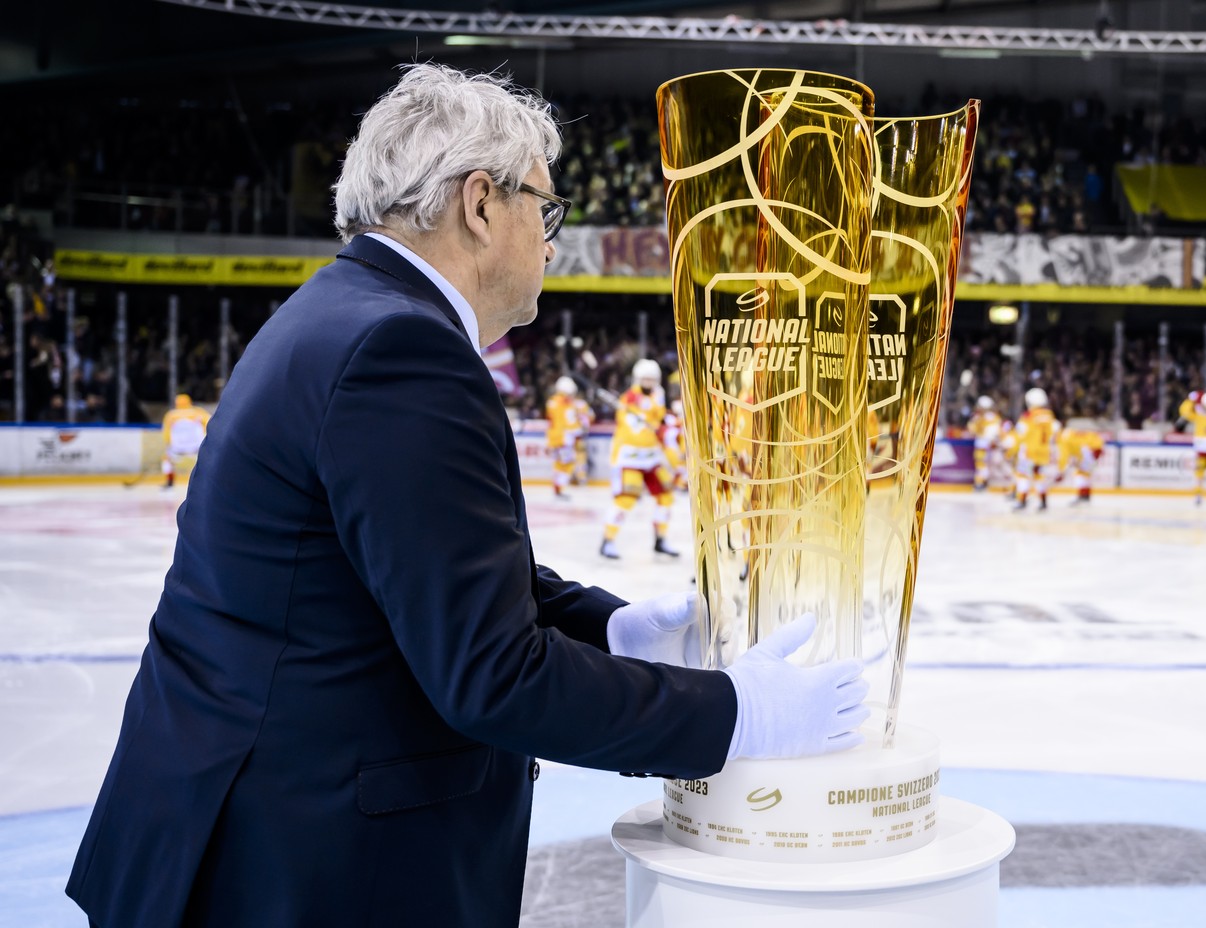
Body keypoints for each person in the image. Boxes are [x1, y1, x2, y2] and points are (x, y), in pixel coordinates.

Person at [66, 64, 869, 928]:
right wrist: (733, 714)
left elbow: (413, 576)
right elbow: (491, 674)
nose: (552, 241)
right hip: (295, 866)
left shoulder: (343, 312)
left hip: (244, 830)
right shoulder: (401, 351)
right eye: (546, 209)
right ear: (481, 204)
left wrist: (603, 626)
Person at [600, 358, 680, 559]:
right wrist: (655, 426)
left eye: (652, 379)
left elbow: (659, 418)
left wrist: (662, 423)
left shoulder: (658, 395)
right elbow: (633, 429)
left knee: (666, 496)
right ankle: (607, 541)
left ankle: (660, 539)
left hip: (652, 458)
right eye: (645, 379)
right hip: (630, 459)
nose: (648, 383)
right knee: (626, 499)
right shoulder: (630, 399)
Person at [1013, 387, 1059, 512]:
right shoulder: (1049, 415)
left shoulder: (1028, 416)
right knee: (1039, 476)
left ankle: (1021, 501)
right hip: (1044, 453)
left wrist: (1011, 450)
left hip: (1029, 452)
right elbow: (1055, 432)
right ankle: (1043, 501)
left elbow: (1019, 434)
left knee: (1023, 476)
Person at [160, 393, 211, 489]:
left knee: (167, 460)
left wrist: (169, 445)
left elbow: (166, 434)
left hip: (177, 448)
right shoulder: (199, 412)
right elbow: (210, 425)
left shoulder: (171, 415)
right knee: (207, 461)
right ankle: (206, 481)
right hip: (197, 447)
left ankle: (169, 483)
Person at [544, 375, 583, 499]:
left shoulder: (552, 402)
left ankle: (558, 488)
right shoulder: (567, 405)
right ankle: (558, 489)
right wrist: (578, 430)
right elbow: (569, 423)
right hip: (564, 440)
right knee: (566, 464)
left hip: (555, 439)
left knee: (559, 464)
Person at [1055, 426, 1105, 506]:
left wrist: (1061, 472)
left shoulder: (1062, 439)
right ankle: (1085, 496)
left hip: (1087, 452)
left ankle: (1082, 497)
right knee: (1085, 475)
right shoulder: (1069, 432)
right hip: (1094, 450)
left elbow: (1064, 457)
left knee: (1080, 474)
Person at [966, 395, 1002, 492]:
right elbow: (998, 432)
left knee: (981, 465)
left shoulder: (978, 417)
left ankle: (980, 483)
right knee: (986, 464)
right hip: (990, 444)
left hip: (982, 444)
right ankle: (984, 482)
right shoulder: (994, 417)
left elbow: (972, 430)